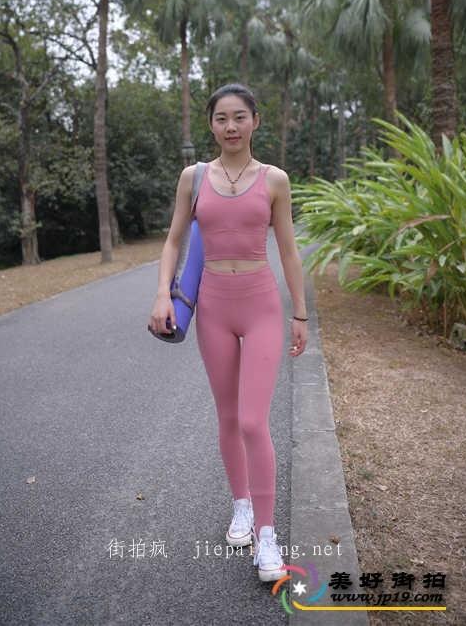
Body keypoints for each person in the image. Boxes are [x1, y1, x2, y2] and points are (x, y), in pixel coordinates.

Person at [149, 83, 308, 582]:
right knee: (227, 414)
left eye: (240, 117)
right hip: (214, 307)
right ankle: (241, 504)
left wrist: (300, 314)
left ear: (256, 121)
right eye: (221, 118)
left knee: (253, 421)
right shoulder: (194, 178)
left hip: (260, 305)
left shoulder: (275, 180)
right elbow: (173, 241)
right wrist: (161, 294)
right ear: (212, 125)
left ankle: (267, 534)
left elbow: (288, 251)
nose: (231, 126)